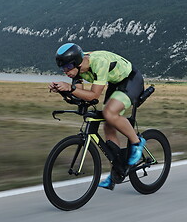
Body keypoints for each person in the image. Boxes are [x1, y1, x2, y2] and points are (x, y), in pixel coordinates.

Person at [48, 43, 146, 190]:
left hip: (130, 80)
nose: (66, 72)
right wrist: (64, 91)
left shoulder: (98, 62)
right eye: (63, 69)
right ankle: (117, 170)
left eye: (68, 67)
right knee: (108, 124)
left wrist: (70, 88)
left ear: (77, 63)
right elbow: (81, 97)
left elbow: (94, 96)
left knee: (109, 113)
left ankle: (137, 142)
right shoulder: (77, 71)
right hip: (114, 83)